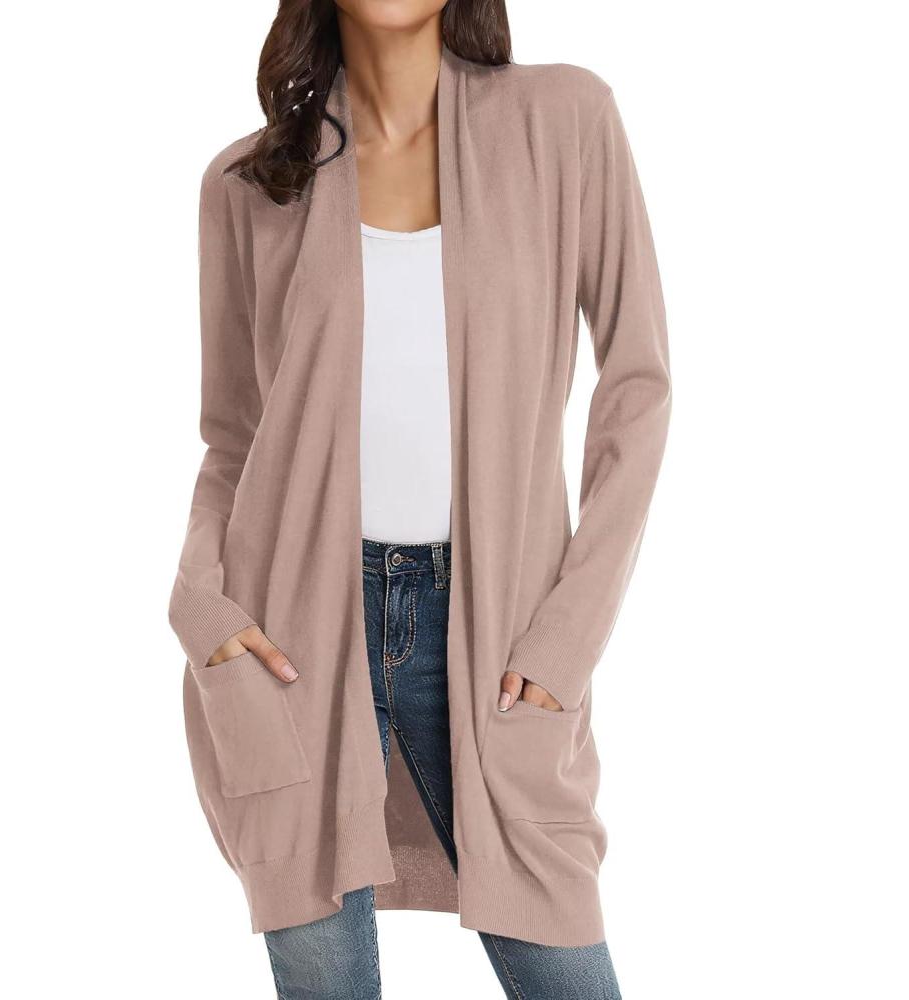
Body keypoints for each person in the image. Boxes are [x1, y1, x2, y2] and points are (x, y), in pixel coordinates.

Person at [168, 1, 670, 996]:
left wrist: (565, 638)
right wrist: (203, 606)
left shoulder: (564, 119)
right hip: (290, 644)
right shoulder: (249, 182)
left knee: (565, 963)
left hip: (497, 640)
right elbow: (232, 439)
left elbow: (637, 388)